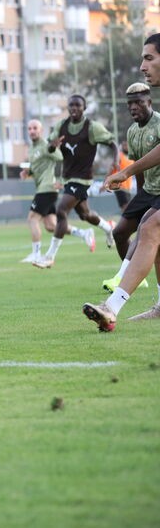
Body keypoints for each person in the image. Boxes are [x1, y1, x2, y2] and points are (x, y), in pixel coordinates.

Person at [86, 33, 160, 330]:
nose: (142, 66)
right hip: (151, 192)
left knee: (150, 228)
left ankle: (111, 307)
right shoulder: (132, 131)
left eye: (149, 58)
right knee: (150, 229)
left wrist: (125, 172)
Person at [32, 94, 118, 269]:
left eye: (78, 105)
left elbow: (112, 143)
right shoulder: (61, 126)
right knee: (85, 215)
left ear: (84, 108)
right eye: (71, 105)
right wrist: (52, 146)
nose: (74, 108)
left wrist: (115, 162)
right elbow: (50, 147)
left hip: (82, 179)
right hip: (68, 178)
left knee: (61, 210)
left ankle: (49, 257)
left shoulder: (92, 127)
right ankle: (109, 228)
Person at [99, 83, 160, 294]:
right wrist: (141, 196)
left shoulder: (159, 124)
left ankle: (122, 277)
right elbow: (139, 167)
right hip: (148, 192)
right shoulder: (132, 132)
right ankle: (137, 278)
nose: (134, 107)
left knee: (144, 229)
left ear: (149, 102)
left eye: (139, 102)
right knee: (119, 233)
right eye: (130, 104)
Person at [18, 119, 61, 264]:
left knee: (32, 219)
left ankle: (36, 254)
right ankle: (83, 233)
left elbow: (60, 157)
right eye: (29, 128)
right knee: (51, 226)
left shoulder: (46, 145)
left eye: (35, 128)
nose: (32, 131)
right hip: (43, 188)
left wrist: (52, 148)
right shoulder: (31, 149)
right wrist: (28, 172)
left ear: (41, 130)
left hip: (47, 188)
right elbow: (36, 168)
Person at [111, 142, 135, 212]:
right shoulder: (119, 156)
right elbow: (111, 168)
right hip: (119, 186)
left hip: (128, 188)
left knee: (127, 208)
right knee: (126, 207)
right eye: (124, 145)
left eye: (127, 145)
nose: (126, 147)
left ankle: (125, 218)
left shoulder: (131, 158)